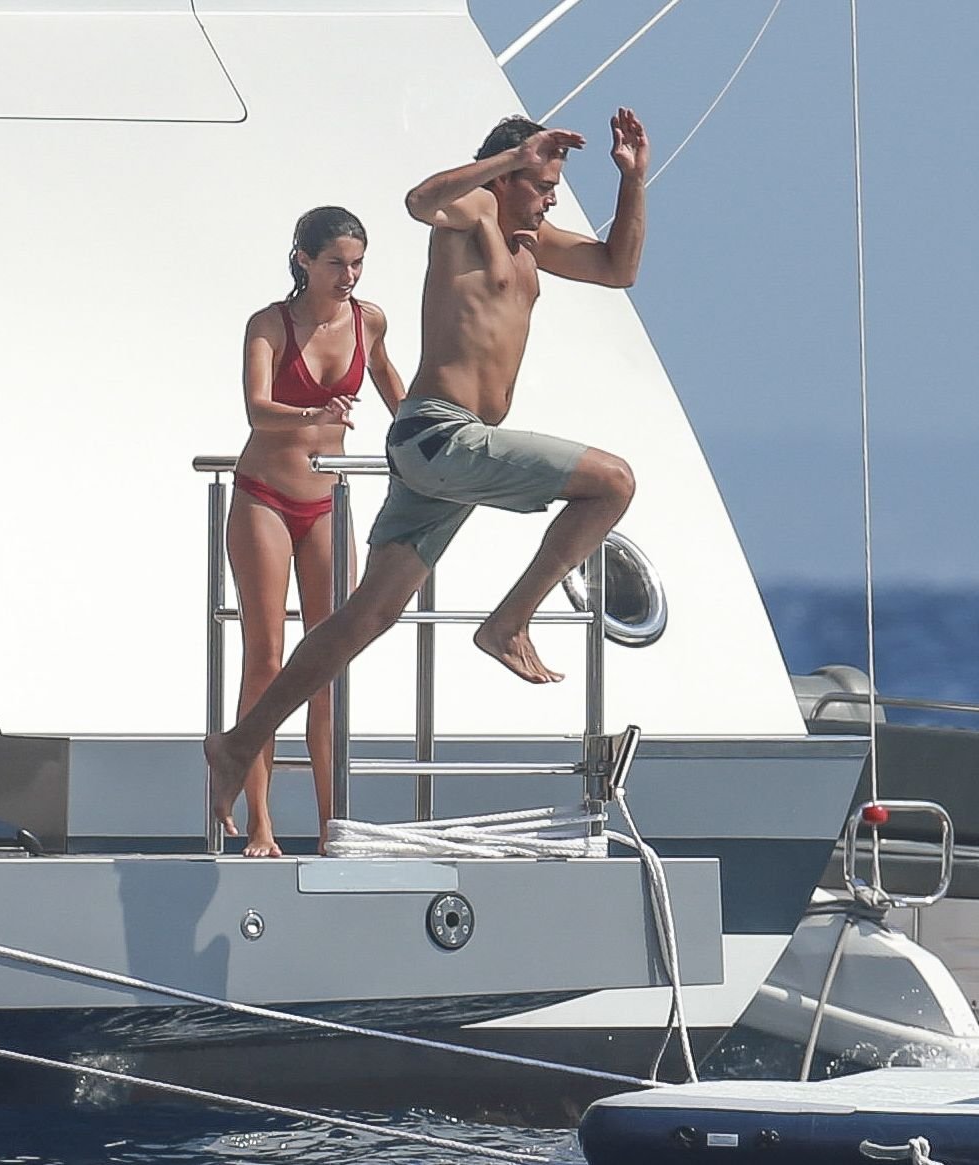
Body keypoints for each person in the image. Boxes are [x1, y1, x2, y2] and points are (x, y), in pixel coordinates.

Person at [206, 109, 649, 840]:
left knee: (365, 616)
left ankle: (238, 742)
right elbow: (420, 200)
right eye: (541, 183)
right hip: (441, 435)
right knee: (614, 482)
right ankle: (508, 622)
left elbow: (618, 269)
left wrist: (633, 180)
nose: (551, 198)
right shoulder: (473, 216)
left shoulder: (531, 242)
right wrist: (511, 159)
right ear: (508, 176)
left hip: (444, 451)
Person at [226, 206, 406, 856]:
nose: (348, 276)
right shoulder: (269, 324)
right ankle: (260, 822)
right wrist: (312, 412)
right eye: (336, 263)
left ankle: (334, 827)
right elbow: (256, 408)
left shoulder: (369, 320)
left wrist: (431, 438)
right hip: (266, 496)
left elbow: (394, 389)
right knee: (267, 659)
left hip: (328, 501)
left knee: (329, 664)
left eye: (357, 264)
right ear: (303, 259)